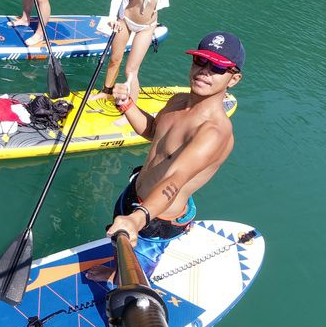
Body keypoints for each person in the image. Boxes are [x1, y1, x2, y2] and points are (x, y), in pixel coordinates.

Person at [103, 31, 245, 249]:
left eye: (217, 67)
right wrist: (126, 104)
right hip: (134, 195)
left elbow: (175, 179)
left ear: (233, 79)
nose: (204, 71)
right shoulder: (177, 100)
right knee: (116, 249)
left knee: (131, 274)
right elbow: (152, 131)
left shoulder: (214, 132)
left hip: (155, 219)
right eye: (200, 60)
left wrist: (137, 219)